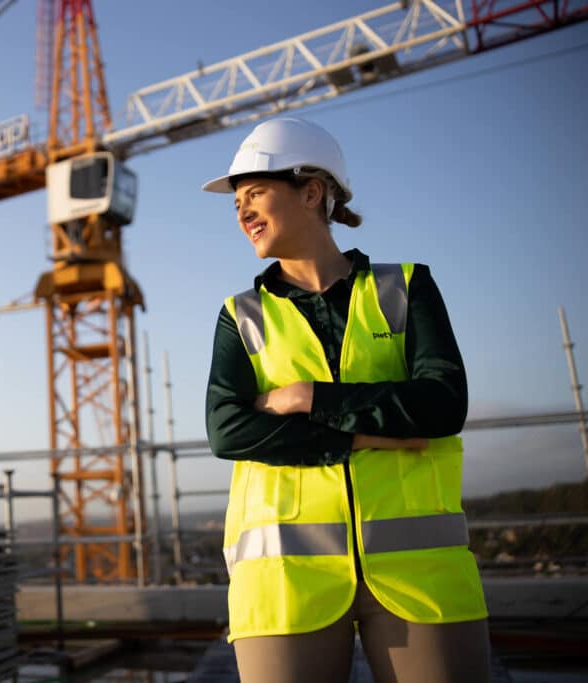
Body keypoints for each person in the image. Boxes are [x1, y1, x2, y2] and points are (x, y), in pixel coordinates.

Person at [202, 117, 491, 683]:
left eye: (255, 193)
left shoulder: (407, 288)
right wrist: (371, 432)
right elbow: (228, 431)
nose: (242, 213)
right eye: (236, 202)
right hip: (284, 584)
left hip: (420, 578)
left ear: (311, 192)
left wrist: (308, 397)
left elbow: (442, 404)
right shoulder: (240, 316)